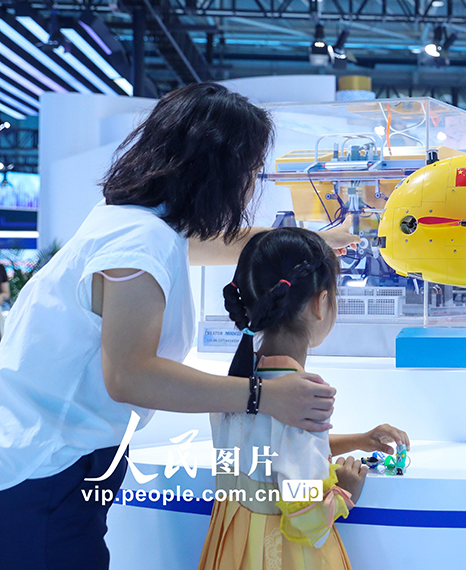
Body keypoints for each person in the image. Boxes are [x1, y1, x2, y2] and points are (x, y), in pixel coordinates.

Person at [0, 83, 359, 570]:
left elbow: (216, 242)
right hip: (44, 469)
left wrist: (311, 242)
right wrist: (263, 396)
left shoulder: (139, 224)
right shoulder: (138, 242)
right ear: (221, 169)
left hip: (53, 461)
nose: (251, 187)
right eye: (252, 172)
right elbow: (130, 375)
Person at [199, 227, 409, 569]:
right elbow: (305, 516)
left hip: (233, 542)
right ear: (320, 303)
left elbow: (273, 450)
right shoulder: (303, 398)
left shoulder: (238, 383)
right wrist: (344, 493)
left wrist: (359, 440)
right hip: (281, 553)